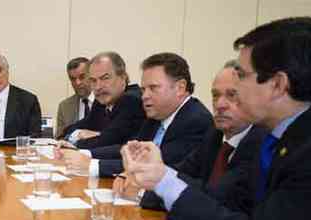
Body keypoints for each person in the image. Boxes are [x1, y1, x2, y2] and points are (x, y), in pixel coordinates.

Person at [121, 17, 311, 220]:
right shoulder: (273, 135)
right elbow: (230, 203)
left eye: (242, 76)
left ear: (278, 85)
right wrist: (159, 178)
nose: (235, 89)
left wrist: (164, 180)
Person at [118, 60, 268, 209]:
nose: (220, 105)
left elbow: (216, 195)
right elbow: (182, 172)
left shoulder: (261, 142)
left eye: (232, 95)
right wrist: (143, 177)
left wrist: (143, 192)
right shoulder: (215, 134)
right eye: (215, 95)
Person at [59, 52, 211, 177]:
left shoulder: (195, 120)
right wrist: (83, 153)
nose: (144, 96)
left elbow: (157, 169)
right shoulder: (157, 116)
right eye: (144, 89)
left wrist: (92, 164)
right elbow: (129, 151)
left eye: (153, 88)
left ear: (180, 87)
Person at [57, 51, 145, 153]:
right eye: (93, 81)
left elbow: (107, 141)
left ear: (123, 77)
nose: (98, 87)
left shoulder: (132, 99)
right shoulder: (102, 101)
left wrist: (75, 143)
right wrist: (75, 135)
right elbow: (82, 125)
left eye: (105, 78)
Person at [55, 57, 94, 138]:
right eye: (73, 79)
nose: (77, 83)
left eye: (82, 77)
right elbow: (59, 137)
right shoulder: (64, 106)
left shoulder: (105, 101)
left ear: (92, 76)